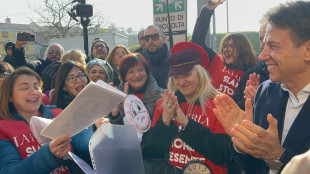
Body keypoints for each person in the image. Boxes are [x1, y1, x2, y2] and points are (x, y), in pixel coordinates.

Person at [213, 1, 310, 173]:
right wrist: (245, 143)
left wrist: (278, 155)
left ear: (307, 50)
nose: (263, 55)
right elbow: (252, 167)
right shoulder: (266, 91)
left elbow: (274, 157)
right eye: (263, 44)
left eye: (273, 46)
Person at [142, 45, 231, 174]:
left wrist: (186, 123)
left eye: (187, 74)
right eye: (176, 77)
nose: (181, 81)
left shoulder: (220, 103)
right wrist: (165, 121)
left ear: (200, 74)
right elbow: (153, 153)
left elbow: (223, 153)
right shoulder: (164, 104)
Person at [0, 67, 93, 173]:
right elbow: (9, 171)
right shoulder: (2, 129)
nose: (33, 92)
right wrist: (49, 154)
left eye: (36, 87)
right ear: (9, 96)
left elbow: (81, 142)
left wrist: (94, 126)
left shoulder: (57, 113)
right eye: (25, 88)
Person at [189, 1, 257, 97]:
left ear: (242, 49)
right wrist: (207, 11)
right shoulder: (217, 62)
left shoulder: (251, 73)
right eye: (224, 46)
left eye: (231, 46)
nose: (226, 50)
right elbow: (197, 41)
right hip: (210, 110)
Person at [109, 53, 163, 146]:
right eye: (131, 72)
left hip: (153, 152)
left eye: (140, 70)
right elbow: (115, 135)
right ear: (124, 76)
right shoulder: (118, 97)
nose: (137, 75)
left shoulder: (162, 96)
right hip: (128, 150)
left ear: (147, 72)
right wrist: (114, 115)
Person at [232, 13, 270, 110]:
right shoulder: (251, 75)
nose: (262, 46)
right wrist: (250, 102)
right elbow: (237, 112)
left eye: (270, 40)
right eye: (261, 39)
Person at [142, 25, 170, 89]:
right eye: (146, 38)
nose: (150, 41)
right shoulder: (140, 62)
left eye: (154, 37)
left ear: (163, 39)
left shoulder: (174, 60)